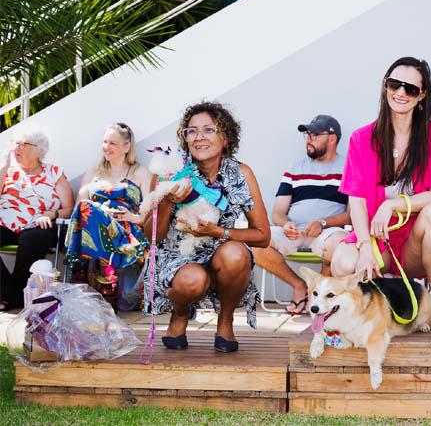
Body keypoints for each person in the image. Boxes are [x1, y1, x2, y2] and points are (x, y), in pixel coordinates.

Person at [331, 57, 431, 329]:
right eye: (395, 84)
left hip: (416, 240)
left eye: (411, 89)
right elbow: (357, 200)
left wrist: (392, 205)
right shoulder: (361, 138)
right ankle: (372, 301)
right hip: (378, 239)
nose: (401, 93)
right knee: (343, 262)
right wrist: (364, 245)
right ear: (385, 86)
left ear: (422, 96)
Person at [143, 102, 270, 352]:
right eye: (192, 131)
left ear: (225, 137)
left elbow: (263, 236)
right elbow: (152, 237)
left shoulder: (240, 174)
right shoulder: (171, 171)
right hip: (176, 257)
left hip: (221, 255)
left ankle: (225, 320)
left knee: (236, 253)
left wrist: (218, 232)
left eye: (208, 130)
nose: (199, 137)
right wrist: (169, 201)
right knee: (193, 280)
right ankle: (180, 313)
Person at [252, 115, 350, 314]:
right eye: (307, 134)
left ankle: (318, 294)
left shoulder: (349, 168)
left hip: (326, 233)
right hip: (294, 232)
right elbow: (278, 213)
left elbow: (352, 215)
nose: (308, 139)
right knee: (256, 240)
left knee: (342, 245)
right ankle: (299, 286)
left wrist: (323, 223)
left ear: (332, 138)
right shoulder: (295, 168)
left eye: (314, 134)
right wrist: (286, 224)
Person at [65, 123, 152, 309]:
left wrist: (131, 216)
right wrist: (100, 211)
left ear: (126, 147)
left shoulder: (140, 173)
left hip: (127, 230)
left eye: (112, 143)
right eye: (104, 142)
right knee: (87, 208)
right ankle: (105, 281)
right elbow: (78, 208)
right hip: (96, 228)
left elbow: (150, 213)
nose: (106, 147)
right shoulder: (94, 173)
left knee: (90, 209)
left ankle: (82, 272)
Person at [0, 127, 74, 311]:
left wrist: (51, 214)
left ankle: (10, 295)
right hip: (6, 223)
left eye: (23, 144)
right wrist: (3, 169)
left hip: (39, 224)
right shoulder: (8, 171)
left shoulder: (54, 172)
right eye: (15, 144)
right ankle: (11, 294)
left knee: (31, 239)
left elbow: (69, 208)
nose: (17, 148)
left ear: (39, 150)